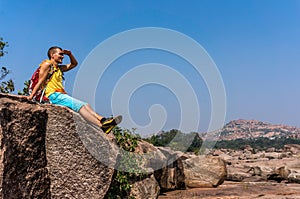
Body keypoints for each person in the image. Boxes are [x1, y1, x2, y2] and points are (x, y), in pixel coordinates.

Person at [26, 46, 121, 133]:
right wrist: (31, 96)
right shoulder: (47, 64)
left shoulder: (59, 68)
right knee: (79, 106)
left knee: (86, 105)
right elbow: (40, 81)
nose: (62, 57)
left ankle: (103, 120)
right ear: (52, 55)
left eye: (63, 55)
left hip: (60, 95)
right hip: (52, 95)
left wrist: (70, 54)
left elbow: (74, 64)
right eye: (60, 54)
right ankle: (102, 127)